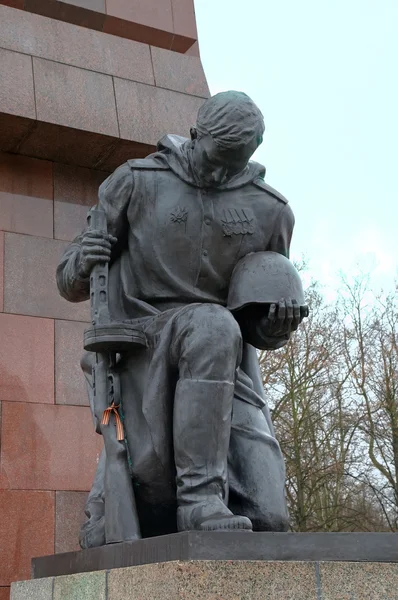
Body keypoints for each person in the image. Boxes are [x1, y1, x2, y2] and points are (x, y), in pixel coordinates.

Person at [57, 91, 304, 546]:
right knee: (211, 325)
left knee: (268, 517)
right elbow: (69, 279)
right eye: (214, 157)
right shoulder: (136, 181)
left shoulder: (271, 210)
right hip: (144, 339)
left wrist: (274, 326)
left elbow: (255, 317)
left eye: (233, 163)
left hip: (223, 355)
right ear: (196, 135)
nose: (219, 172)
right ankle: (198, 500)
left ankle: (195, 501)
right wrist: (81, 262)